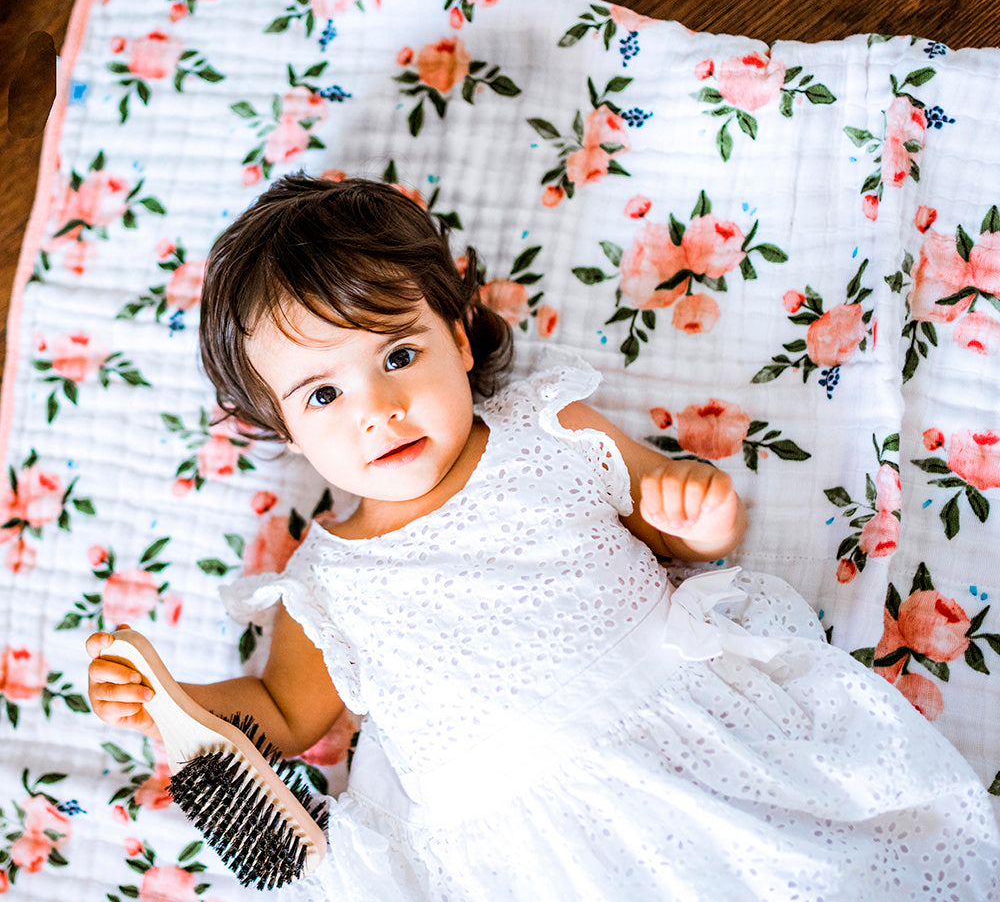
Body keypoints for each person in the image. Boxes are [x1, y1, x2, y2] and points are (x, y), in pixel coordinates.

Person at [88, 174, 1000, 900]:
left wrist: (700, 508)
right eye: (324, 395)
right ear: (285, 430)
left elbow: (677, 527)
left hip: (678, 747)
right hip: (520, 852)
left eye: (398, 355)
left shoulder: (543, 433)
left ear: (455, 329)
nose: (380, 410)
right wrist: (169, 696)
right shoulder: (329, 581)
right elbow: (283, 719)